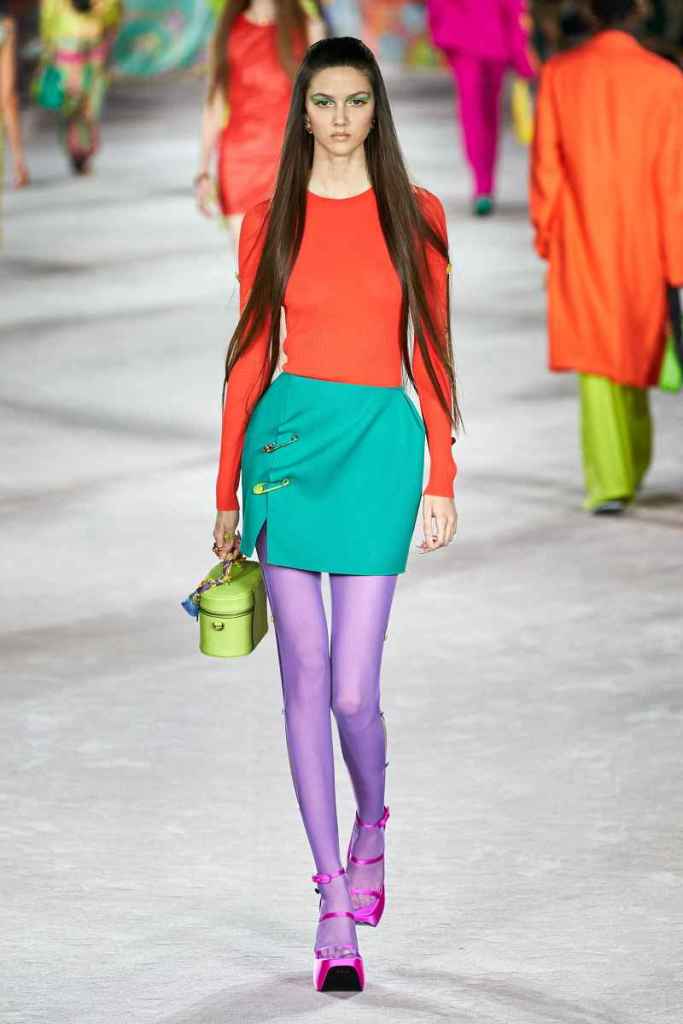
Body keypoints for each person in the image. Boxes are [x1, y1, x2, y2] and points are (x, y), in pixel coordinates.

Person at [210, 36, 459, 991]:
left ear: (375, 110)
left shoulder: (415, 214)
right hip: (285, 456)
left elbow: (430, 348)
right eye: (324, 102)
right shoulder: (268, 218)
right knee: (303, 681)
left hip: (379, 453)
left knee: (354, 692)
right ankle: (328, 900)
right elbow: (247, 357)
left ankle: (372, 824)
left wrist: (441, 473)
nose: (341, 118)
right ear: (302, 113)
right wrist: (224, 492)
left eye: (357, 101)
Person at [530, 0, 683, 514]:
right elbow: (675, 182)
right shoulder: (666, 80)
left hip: (582, 236)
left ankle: (610, 481)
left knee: (598, 361)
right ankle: (630, 467)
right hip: (646, 241)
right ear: (638, 10)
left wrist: (547, 236)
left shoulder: (560, 75)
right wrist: (677, 259)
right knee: (635, 351)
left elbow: (547, 168)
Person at [195, 0, 326, 247]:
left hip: (291, 160)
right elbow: (214, 103)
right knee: (249, 260)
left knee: (291, 259)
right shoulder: (228, 31)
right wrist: (203, 171)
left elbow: (322, 103)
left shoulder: (307, 28)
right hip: (240, 162)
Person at [426, 0, 536, 215]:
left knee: (475, 115)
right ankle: (484, 185)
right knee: (486, 115)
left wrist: (438, 30)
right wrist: (520, 51)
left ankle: (483, 185)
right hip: (490, 36)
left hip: (469, 36)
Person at [39, 0, 121, 175]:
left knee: (78, 101)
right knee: (83, 101)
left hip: (73, 39)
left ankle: (78, 148)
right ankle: (80, 148)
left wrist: (48, 46)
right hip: (84, 39)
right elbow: (113, 11)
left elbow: (48, 13)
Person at [0, 1, 30, 194]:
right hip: (4, 23)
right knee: (9, 99)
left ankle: (19, 164)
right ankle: (19, 165)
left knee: (9, 99)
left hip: (4, 24)